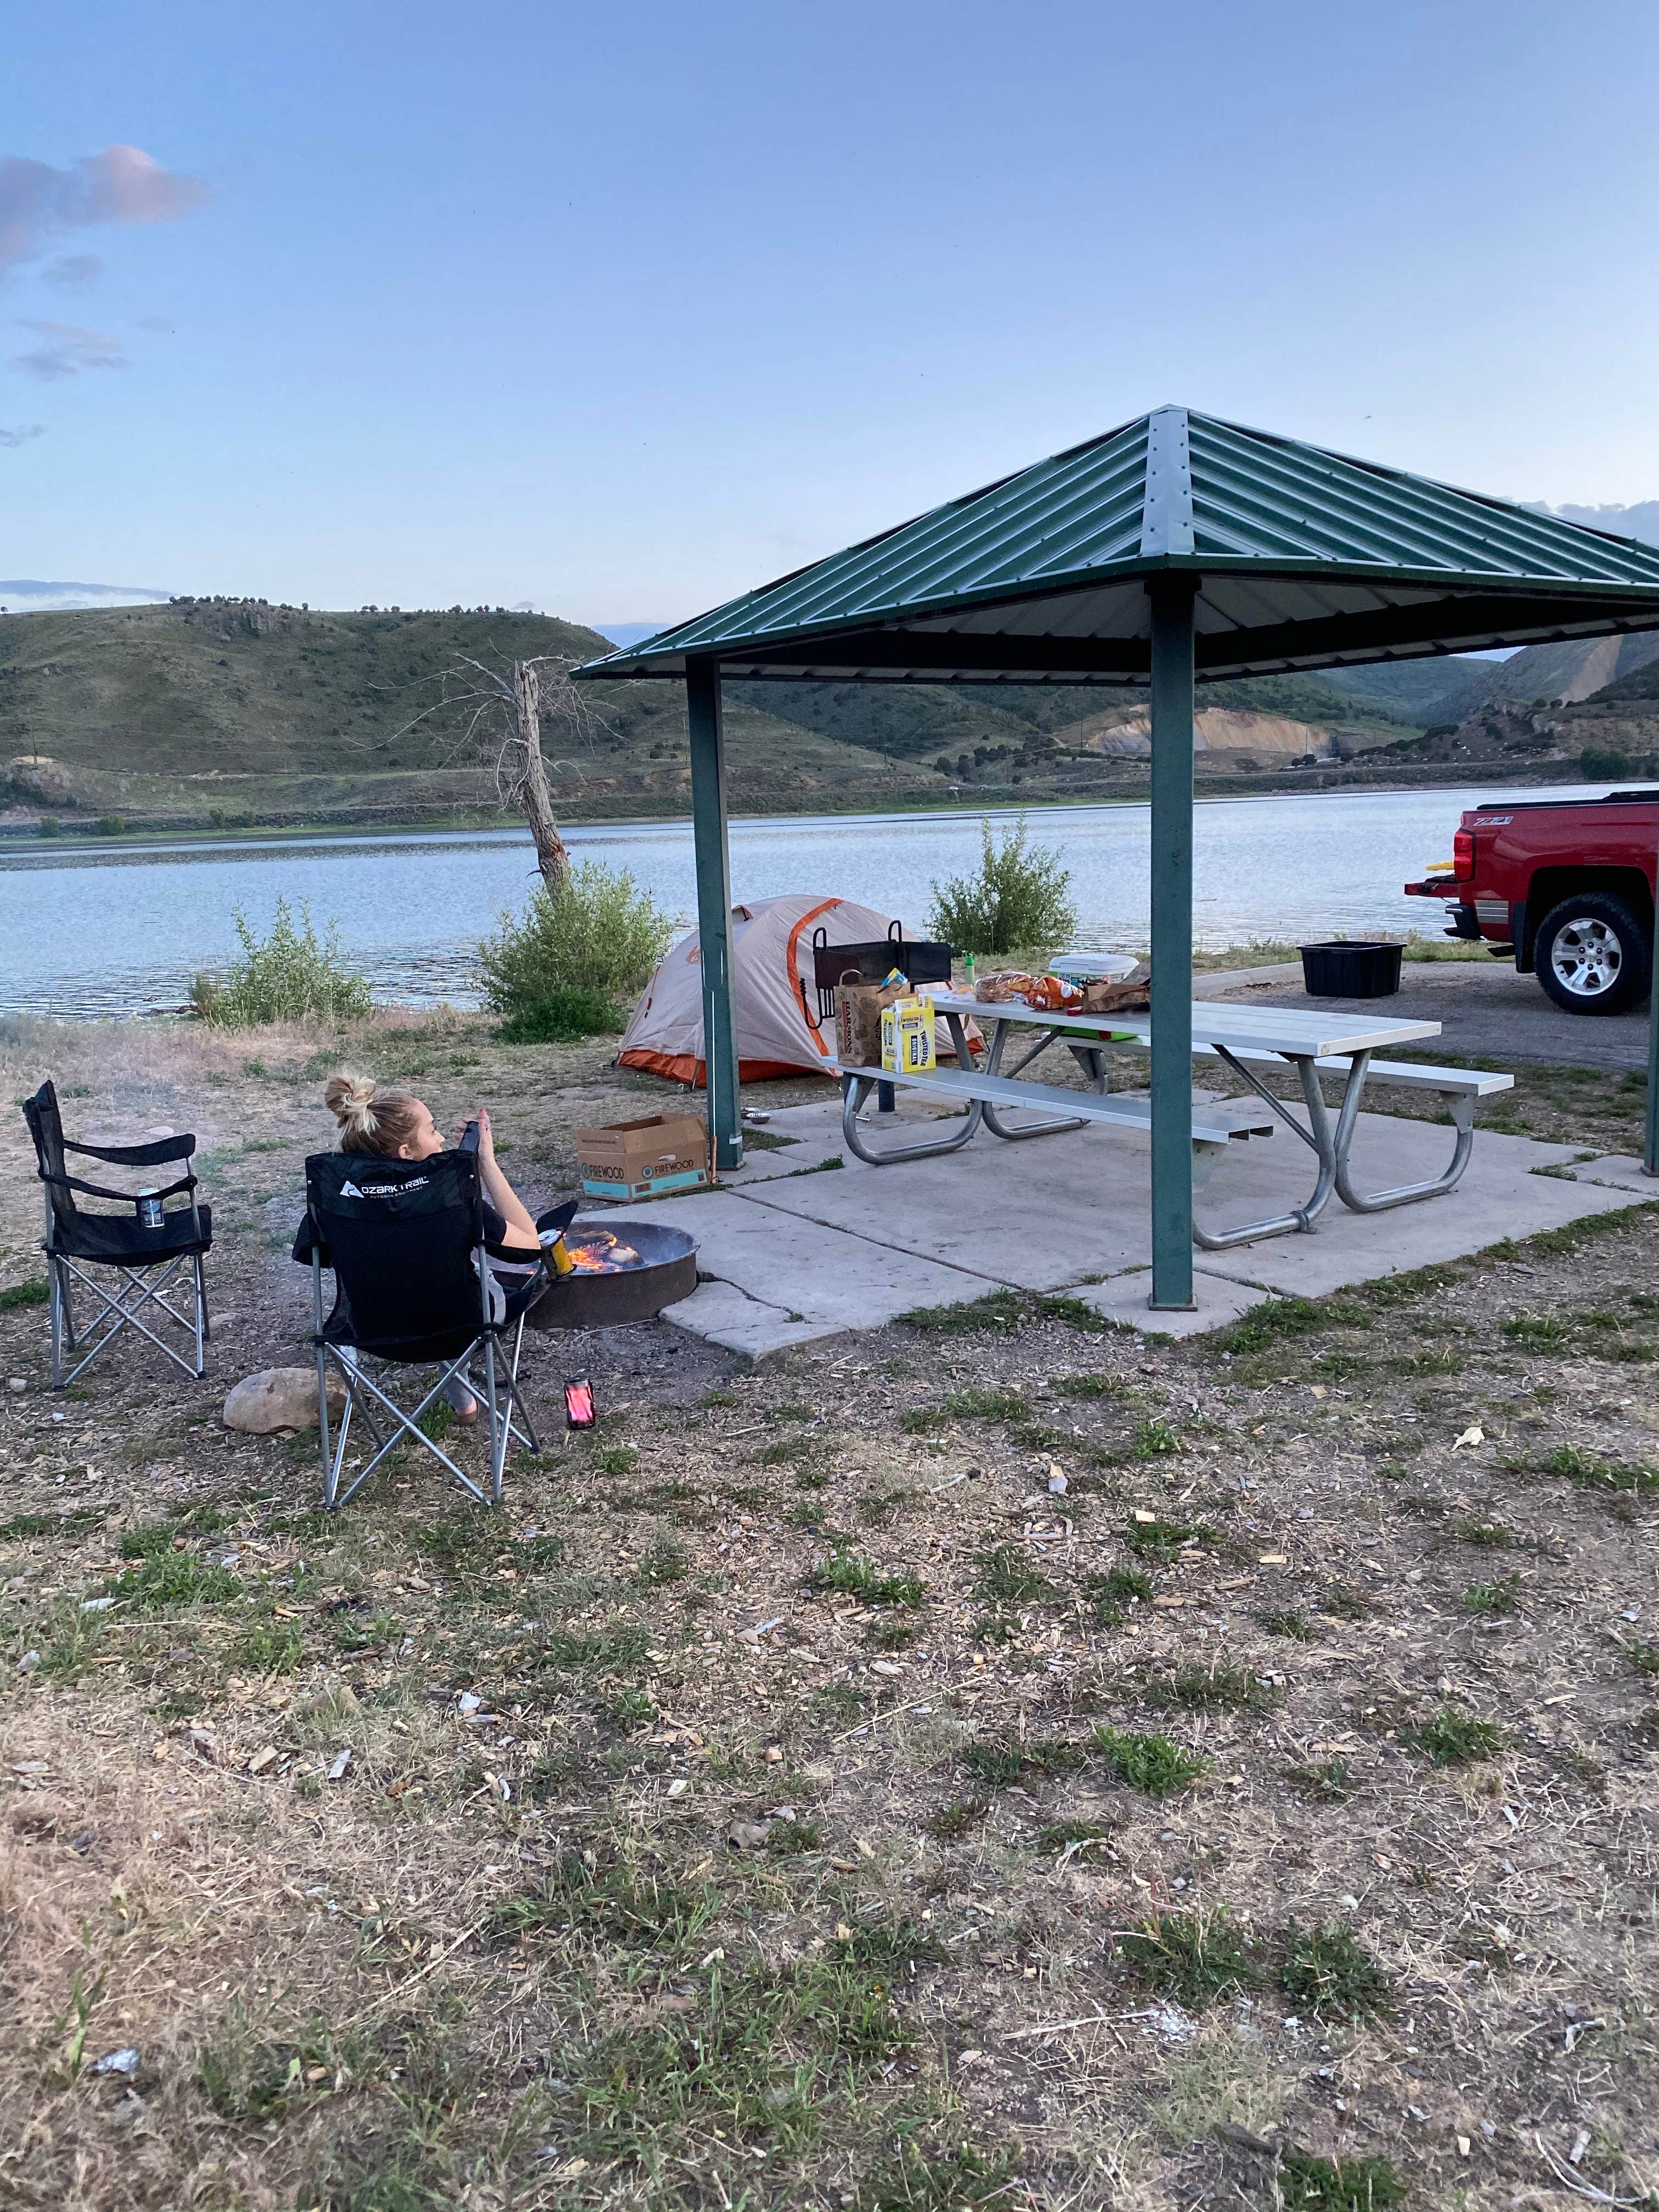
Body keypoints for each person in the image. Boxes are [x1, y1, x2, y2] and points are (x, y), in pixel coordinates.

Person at [323, 1073, 540, 1423]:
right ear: (406, 1152)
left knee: (426, 1276)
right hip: (460, 1326)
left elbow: (315, 1255)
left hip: (371, 1330)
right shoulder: (451, 1199)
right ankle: (462, 1397)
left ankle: (463, 1402)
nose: (441, 1139)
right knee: (464, 1282)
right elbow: (529, 1246)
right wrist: (486, 1164)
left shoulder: (333, 1202)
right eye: (433, 1129)